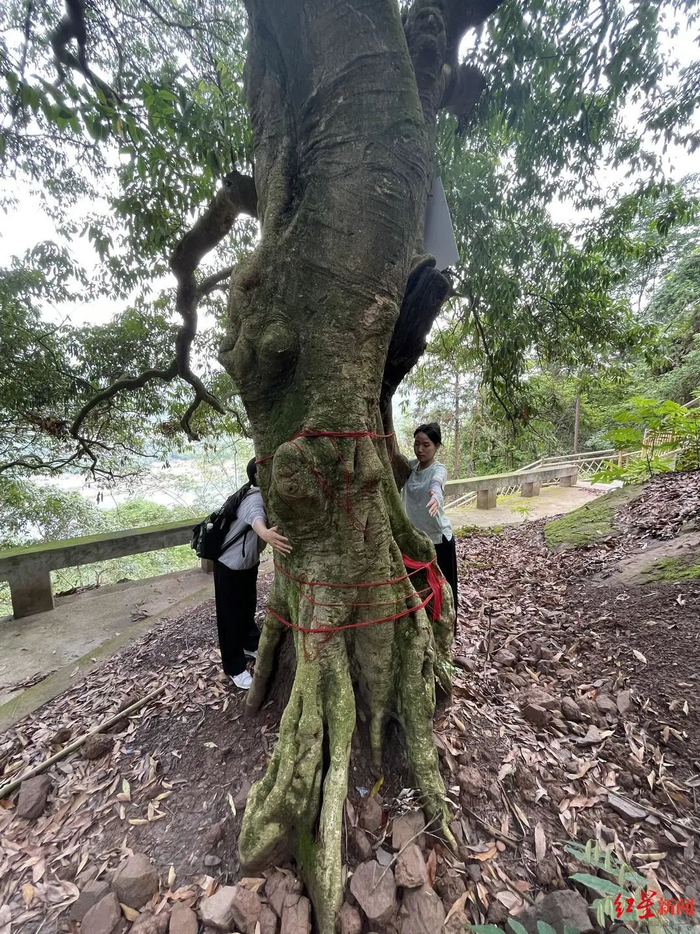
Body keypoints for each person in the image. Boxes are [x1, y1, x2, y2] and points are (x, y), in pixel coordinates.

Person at [214, 458, 292, 690]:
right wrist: (266, 534)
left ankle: (249, 643)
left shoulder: (262, 494)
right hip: (228, 565)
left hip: (247, 564)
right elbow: (255, 518)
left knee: (247, 606)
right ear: (258, 476)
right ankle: (234, 668)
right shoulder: (254, 497)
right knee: (228, 617)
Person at [401, 422, 458, 613]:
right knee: (421, 588)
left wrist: (436, 494)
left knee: (445, 587)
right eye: (417, 444)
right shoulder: (410, 466)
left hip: (438, 539)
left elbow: (437, 482)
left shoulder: (438, 469)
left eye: (426, 445)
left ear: (436, 446)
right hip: (415, 538)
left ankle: (449, 629)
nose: (420, 449)